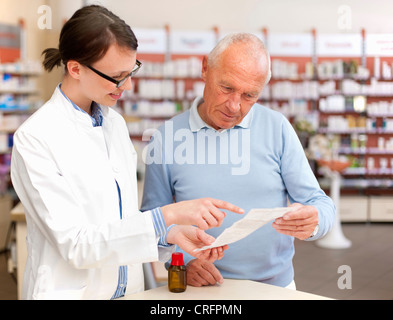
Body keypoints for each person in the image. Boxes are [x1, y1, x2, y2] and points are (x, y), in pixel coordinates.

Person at [10, 5, 243, 300]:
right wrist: (165, 215)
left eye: (131, 71)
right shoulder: (36, 138)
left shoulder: (115, 123)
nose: (128, 85)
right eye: (117, 76)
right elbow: (77, 245)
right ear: (75, 68)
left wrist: (169, 234)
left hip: (128, 293)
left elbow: (119, 219)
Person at [141, 33, 336, 289]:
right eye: (227, 88)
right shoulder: (166, 138)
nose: (234, 106)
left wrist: (314, 222)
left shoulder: (277, 128)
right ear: (205, 69)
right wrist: (184, 263)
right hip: (202, 291)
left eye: (249, 95)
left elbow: (320, 204)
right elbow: (150, 224)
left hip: (274, 288)